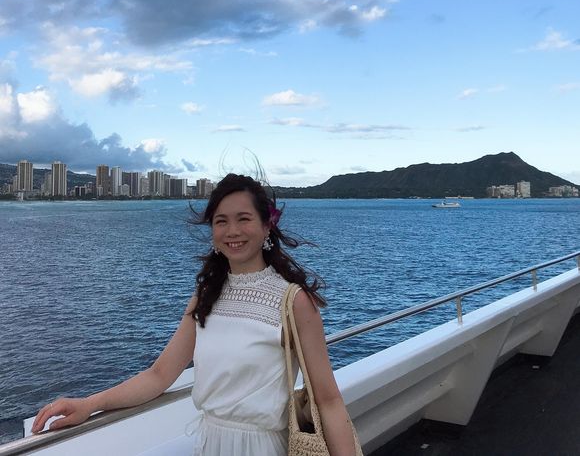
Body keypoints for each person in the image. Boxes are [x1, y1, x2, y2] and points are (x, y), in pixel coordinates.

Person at [32, 173, 358, 455]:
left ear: (266, 225)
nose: (232, 230)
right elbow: (160, 375)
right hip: (210, 444)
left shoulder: (293, 301)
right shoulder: (206, 295)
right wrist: (90, 404)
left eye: (243, 219)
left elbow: (327, 400)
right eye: (221, 221)